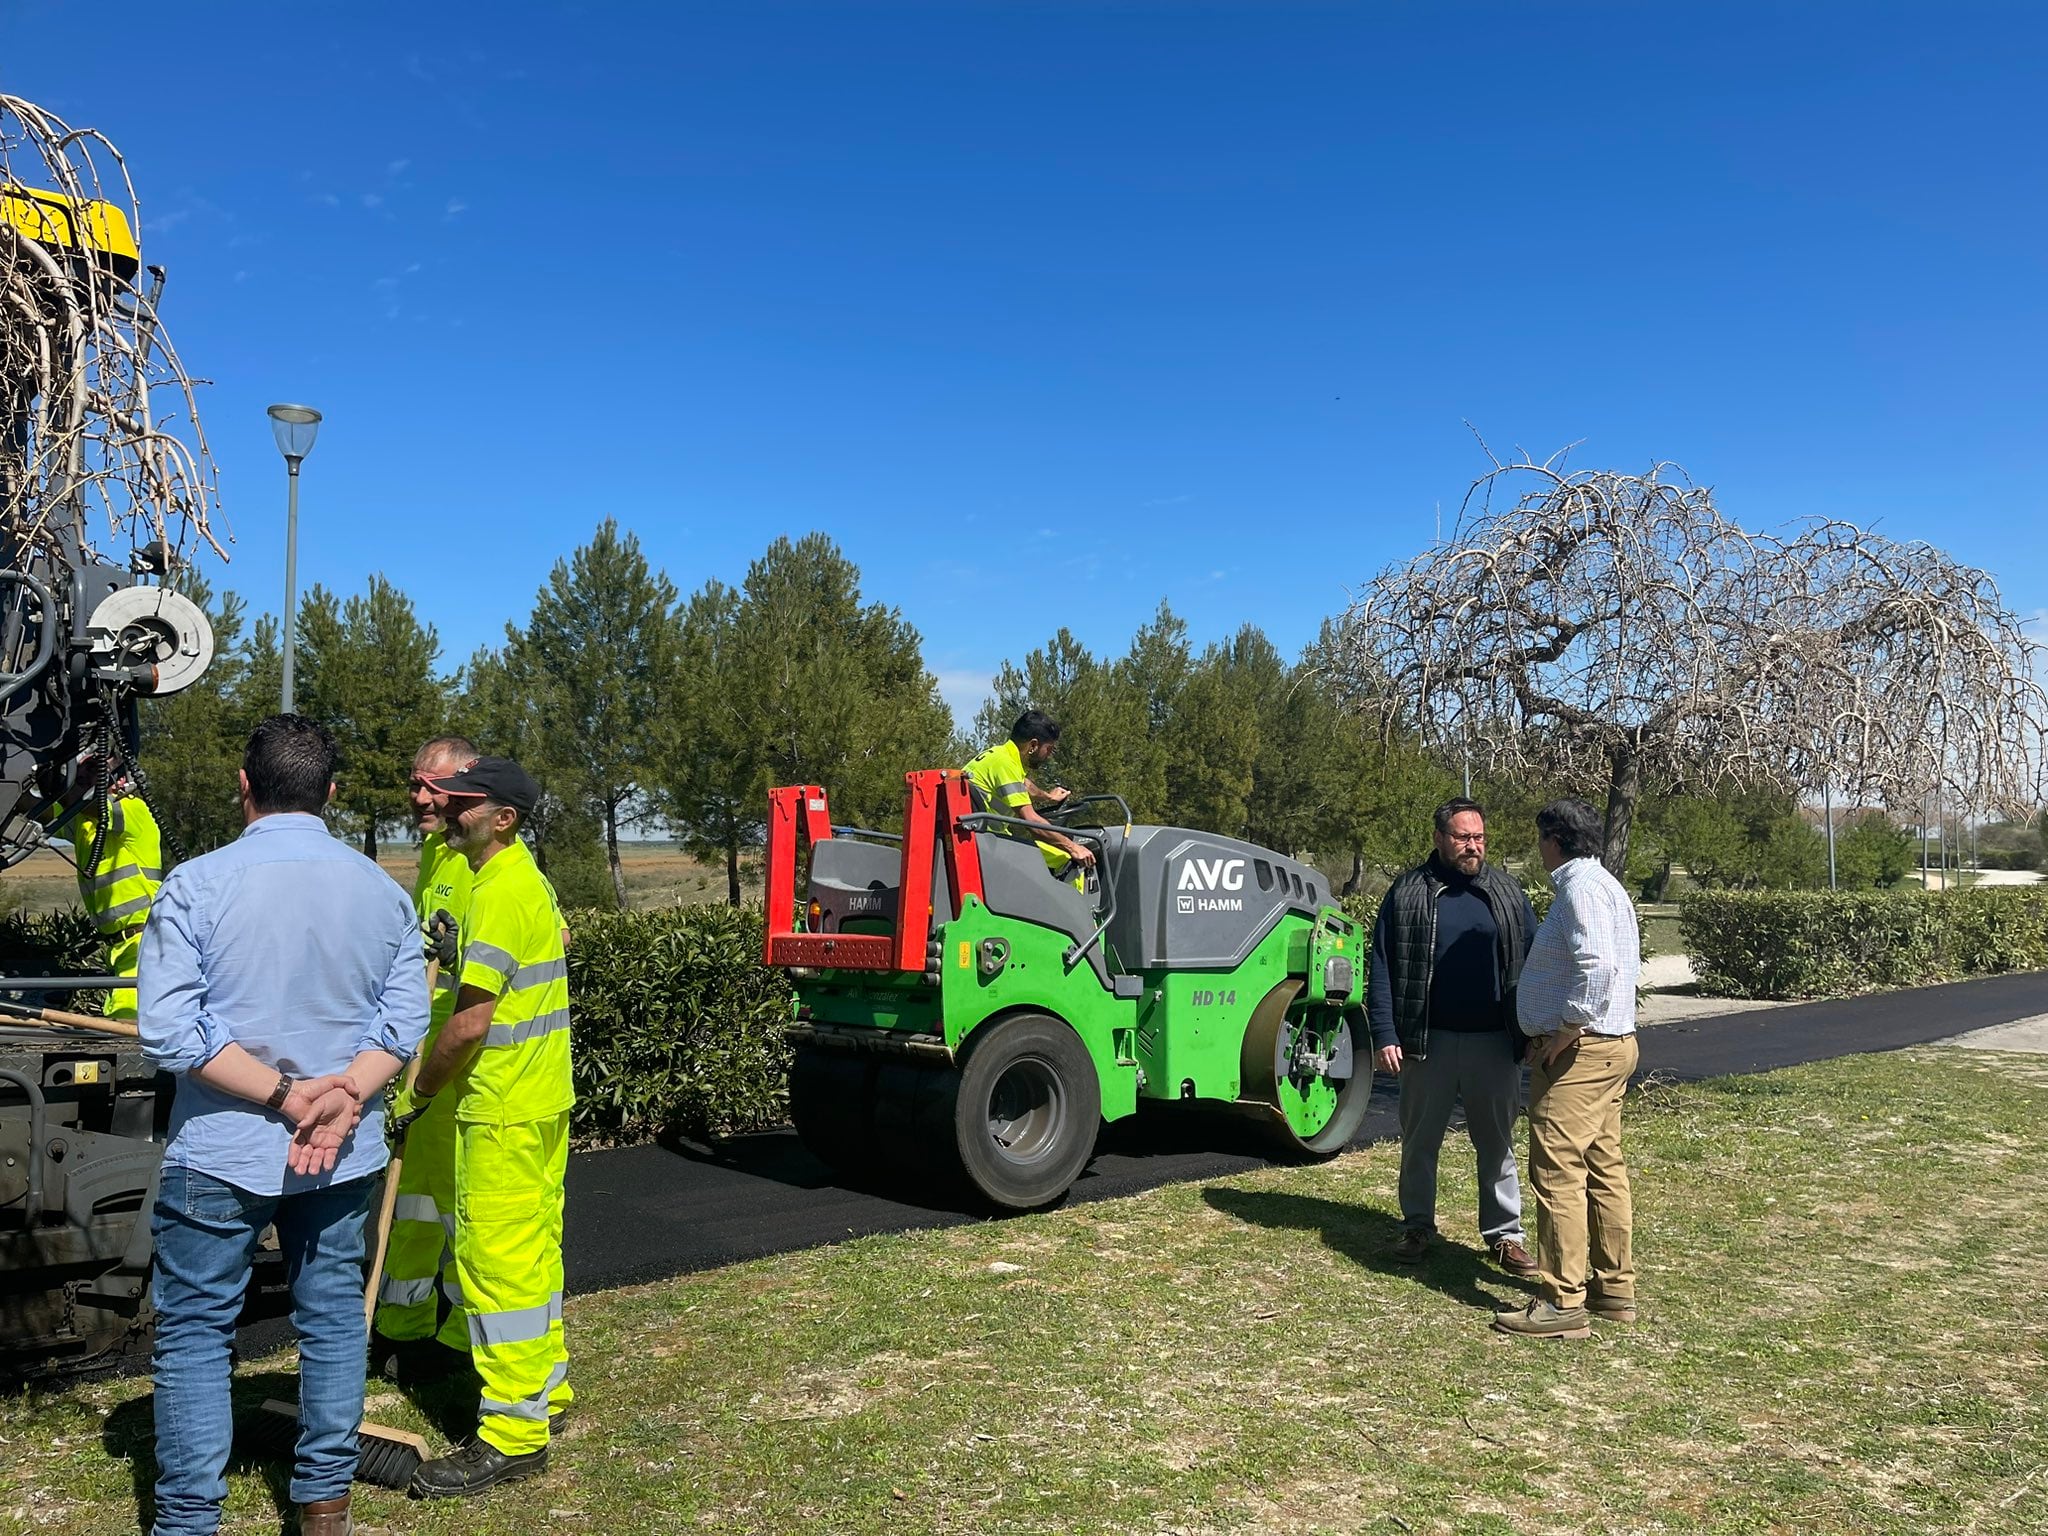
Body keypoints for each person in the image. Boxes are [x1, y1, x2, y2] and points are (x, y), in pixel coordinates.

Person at [138, 715, 429, 1536]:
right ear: (332, 794)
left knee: (196, 1331)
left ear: (243, 785)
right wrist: (338, 1098)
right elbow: (404, 1022)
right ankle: (324, 1505)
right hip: (344, 1151)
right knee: (334, 1316)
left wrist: (283, 1097)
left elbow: (167, 1032)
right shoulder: (383, 891)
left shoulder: (196, 884)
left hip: (221, 1151)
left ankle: (190, 1519)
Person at [402, 756, 575, 1497]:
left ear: (501, 817)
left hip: (501, 1107)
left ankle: (511, 1434)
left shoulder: (502, 887)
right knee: (533, 1256)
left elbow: (469, 1021)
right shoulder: (510, 880)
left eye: (463, 800)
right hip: (538, 1099)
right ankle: (547, 1392)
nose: (447, 804)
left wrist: (418, 1090)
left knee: (497, 1266)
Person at [1367, 798, 1540, 1274]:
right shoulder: (1407, 892)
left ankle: (1505, 1235)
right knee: (1420, 1140)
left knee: (1498, 1142)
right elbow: (1381, 965)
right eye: (1463, 837)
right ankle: (1417, 1224)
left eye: (1479, 837)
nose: (1473, 846)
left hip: (1495, 1042)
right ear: (1439, 838)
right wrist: (1384, 1032)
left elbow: (1535, 959)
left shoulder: (1506, 892)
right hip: (1428, 1041)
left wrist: (1531, 1029)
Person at [1494, 797, 1642, 1341]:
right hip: (1614, 1044)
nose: (1539, 850)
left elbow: (1596, 964)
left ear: (1555, 840)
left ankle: (1562, 1301)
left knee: (1557, 1172)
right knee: (1604, 1165)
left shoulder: (1579, 888)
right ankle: (1613, 1288)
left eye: (1541, 839)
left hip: (1584, 1052)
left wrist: (1567, 1028)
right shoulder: (1605, 885)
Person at [372, 735, 480, 1377]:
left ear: (468, 783)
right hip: (425, 1063)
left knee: (463, 1208)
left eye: (429, 786)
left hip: (464, 1075)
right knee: (413, 1200)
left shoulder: (487, 864)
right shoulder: (440, 857)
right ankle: (402, 1329)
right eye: (413, 785)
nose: (417, 797)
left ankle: (464, 1342)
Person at [962, 710, 1095, 884]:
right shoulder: (1006, 765)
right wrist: (1074, 848)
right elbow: (1032, 821)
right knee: (1068, 860)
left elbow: (1025, 785)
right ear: (1033, 746)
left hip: (985, 840)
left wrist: (1048, 796)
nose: (1049, 755)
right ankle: (1082, 911)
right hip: (991, 844)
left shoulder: (999, 755)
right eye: (1049, 749)